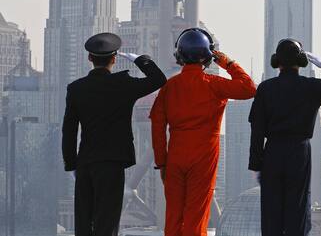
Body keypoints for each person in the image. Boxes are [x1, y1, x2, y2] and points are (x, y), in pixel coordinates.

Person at [150, 28, 256, 236]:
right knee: (196, 217)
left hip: (175, 157)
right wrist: (227, 63)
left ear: (179, 55)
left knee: (173, 217)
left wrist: (162, 162)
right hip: (203, 158)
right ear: (208, 57)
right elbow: (249, 88)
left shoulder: (169, 87)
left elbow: (157, 126)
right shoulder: (214, 85)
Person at [249, 38, 321, 236]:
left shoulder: (266, 88)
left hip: (272, 152)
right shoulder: (310, 87)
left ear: (276, 61)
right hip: (299, 152)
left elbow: (257, 129)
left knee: (271, 212)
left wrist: (256, 164)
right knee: (297, 209)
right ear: (301, 61)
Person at [62, 33, 166, 236]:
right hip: (112, 162)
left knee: (83, 221)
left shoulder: (76, 89)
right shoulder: (124, 84)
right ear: (114, 59)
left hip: (85, 162)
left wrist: (71, 164)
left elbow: (69, 130)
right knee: (107, 221)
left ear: (90, 58)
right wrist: (140, 60)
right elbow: (158, 79)